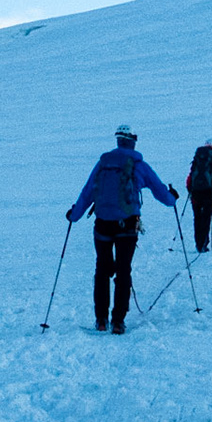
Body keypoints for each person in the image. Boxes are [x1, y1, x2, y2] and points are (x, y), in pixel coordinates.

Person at [67, 124, 178, 333]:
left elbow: (88, 191)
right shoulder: (138, 164)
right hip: (127, 225)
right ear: (132, 141)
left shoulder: (103, 163)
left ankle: (101, 319)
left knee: (102, 270)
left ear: (118, 140)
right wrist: (172, 199)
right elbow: (159, 190)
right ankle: (118, 320)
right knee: (123, 270)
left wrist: (74, 215)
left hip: (102, 224)